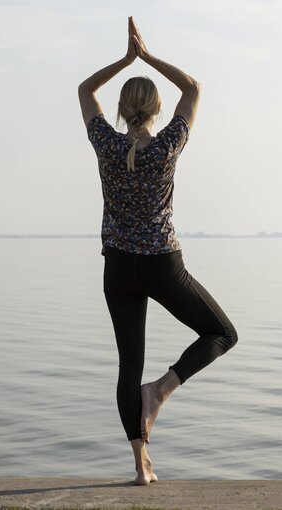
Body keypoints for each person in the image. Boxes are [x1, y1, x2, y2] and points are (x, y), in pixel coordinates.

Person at [77, 16, 239, 486]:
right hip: (163, 265)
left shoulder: (105, 143)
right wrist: (146, 56)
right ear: (155, 110)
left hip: (118, 269)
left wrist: (124, 60)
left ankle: (139, 465)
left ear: (123, 110)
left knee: (129, 364)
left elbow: (86, 90)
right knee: (221, 333)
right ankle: (162, 391)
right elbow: (193, 86)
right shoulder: (168, 144)